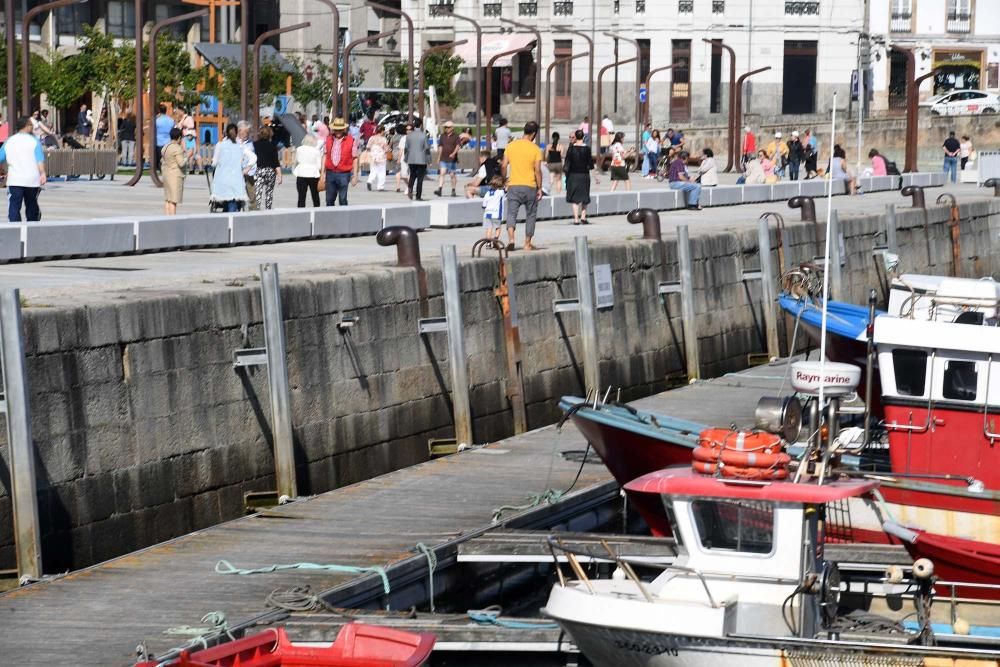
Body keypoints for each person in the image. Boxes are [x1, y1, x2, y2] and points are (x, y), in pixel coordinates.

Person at [500, 120, 543, 251]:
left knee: (511, 214)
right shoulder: (535, 149)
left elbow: (503, 165)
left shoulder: (511, 146)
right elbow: (537, 170)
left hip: (513, 185)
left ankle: (511, 239)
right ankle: (527, 243)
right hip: (530, 186)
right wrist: (540, 188)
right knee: (531, 215)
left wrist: (504, 181)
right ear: (534, 134)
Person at [0, 116, 47, 221]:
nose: (32, 127)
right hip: (32, 180)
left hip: (15, 180)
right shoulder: (34, 141)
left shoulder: (9, 141)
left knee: (14, 207)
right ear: (26, 126)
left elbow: (0, 157)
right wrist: (43, 173)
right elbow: (39, 160)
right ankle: (32, 229)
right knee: (31, 206)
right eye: (31, 125)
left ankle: (15, 229)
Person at [211, 124, 250, 212]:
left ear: (225, 133)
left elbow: (214, 163)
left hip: (223, 181)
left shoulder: (220, 145)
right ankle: (230, 221)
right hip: (236, 180)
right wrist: (246, 168)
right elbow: (252, 158)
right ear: (237, 133)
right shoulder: (241, 146)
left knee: (227, 203)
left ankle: (227, 220)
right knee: (232, 204)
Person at [323, 117, 359, 206]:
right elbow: (324, 156)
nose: (338, 132)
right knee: (329, 199)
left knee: (342, 199)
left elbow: (355, 158)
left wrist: (355, 175)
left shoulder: (351, 140)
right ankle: (330, 218)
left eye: (340, 130)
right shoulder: (328, 139)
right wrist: (322, 174)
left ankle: (343, 218)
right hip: (330, 172)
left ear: (343, 129)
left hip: (344, 173)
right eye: (336, 129)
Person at [564, 129, 594, 225]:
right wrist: (596, 176)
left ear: (576, 137)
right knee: (585, 196)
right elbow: (590, 164)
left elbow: (567, 163)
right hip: (584, 175)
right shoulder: (587, 149)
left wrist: (566, 174)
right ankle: (583, 217)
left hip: (573, 175)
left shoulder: (571, 149)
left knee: (574, 198)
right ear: (583, 137)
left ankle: (576, 219)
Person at [253, 126, 281, 210]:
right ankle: (268, 209)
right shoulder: (273, 145)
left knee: (258, 192)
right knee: (269, 192)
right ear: (270, 134)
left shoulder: (255, 144)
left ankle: (256, 209)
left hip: (259, 170)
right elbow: (276, 161)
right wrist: (280, 175)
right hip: (270, 171)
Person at [161, 128, 186, 215]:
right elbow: (181, 163)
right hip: (175, 176)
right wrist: (188, 156)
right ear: (179, 137)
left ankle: (167, 217)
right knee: (173, 201)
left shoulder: (166, 146)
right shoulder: (177, 148)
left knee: (168, 199)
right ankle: (172, 218)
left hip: (166, 175)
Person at [293, 134, 323, 208]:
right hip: (313, 174)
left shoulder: (299, 149)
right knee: (315, 195)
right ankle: (317, 210)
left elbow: (296, 161)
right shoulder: (316, 151)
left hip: (301, 173)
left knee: (301, 196)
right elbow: (319, 165)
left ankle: (300, 212)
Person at [404, 118, 430, 201]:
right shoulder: (423, 135)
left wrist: (406, 158)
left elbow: (406, 148)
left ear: (414, 126)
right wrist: (429, 160)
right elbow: (427, 148)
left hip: (411, 159)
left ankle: (410, 188)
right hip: (421, 159)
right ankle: (418, 196)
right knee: (420, 178)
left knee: (412, 175)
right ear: (421, 125)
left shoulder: (409, 136)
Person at [434, 120, 461, 197]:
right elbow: (440, 146)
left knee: (452, 174)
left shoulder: (456, 136)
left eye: (448, 127)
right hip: (443, 158)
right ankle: (440, 189)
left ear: (452, 128)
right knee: (442, 173)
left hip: (452, 159)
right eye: (445, 127)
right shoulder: (442, 136)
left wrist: (453, 153)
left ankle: (453, 190)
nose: (446, 129)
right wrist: (439, 157)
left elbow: (458, 146)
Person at [481, 175, 506, 241]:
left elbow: (484, 205)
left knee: (489, 228)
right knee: (498, 227)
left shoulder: (487, 193)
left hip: (487, 213)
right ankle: (496, 239)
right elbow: (506, 190)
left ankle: (488, 243)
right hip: (496, 213)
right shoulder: (501, 192)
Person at [365, 124, 389, 192]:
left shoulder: (372, 138)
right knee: (381, 171)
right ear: (381, 131)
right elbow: (386, 148)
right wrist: (387, 151)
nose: (384, 132)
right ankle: (380, 186)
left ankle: (370, 181)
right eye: (383, 131)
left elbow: (368, 147)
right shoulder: (383, 139)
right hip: (381, 156)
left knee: (373, 170)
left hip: (373, 156)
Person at [153, 104, 174, 173]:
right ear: (166, 110)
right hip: (168, 141)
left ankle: (159, 169)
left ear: (159, 110)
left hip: (159, 141)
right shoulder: (171, 120)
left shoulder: (157, 120)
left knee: (159, 158)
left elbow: (153, 130)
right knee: (166, 158)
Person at [395, 122, 411, 194]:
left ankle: (408, 188)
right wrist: (399, 159)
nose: (408, 131)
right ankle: (409, 186)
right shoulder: (403, 138)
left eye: (410, 129)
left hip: (412, 159)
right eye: (407, 129)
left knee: (410, 174)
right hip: (404, 158)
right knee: (403, 175)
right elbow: (401, 149)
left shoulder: (414, 138)